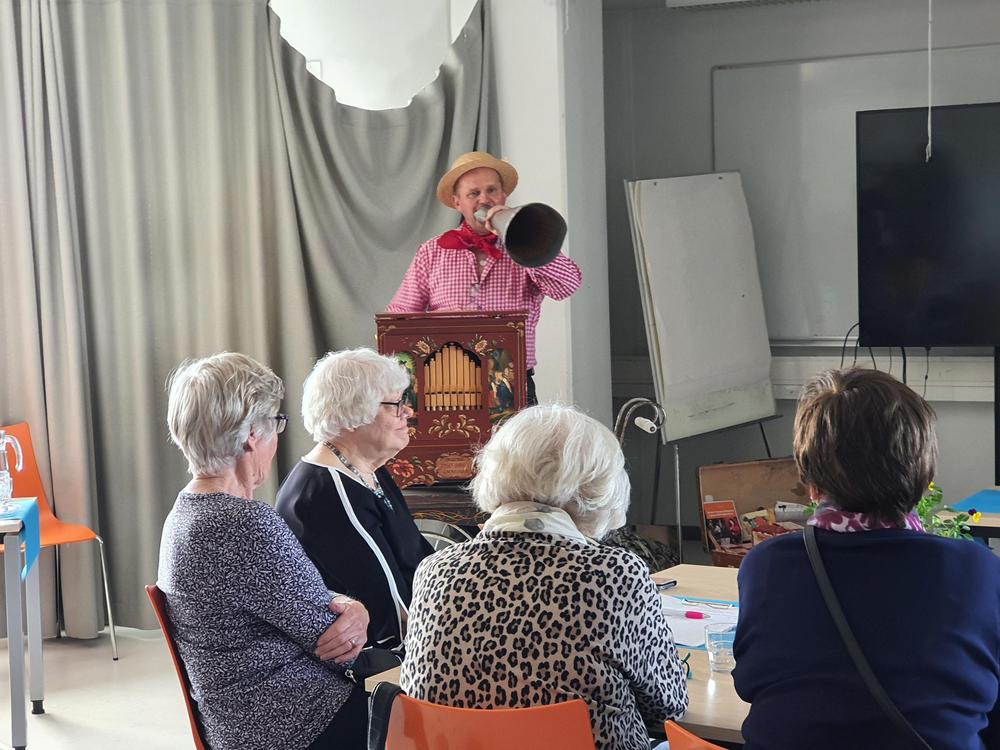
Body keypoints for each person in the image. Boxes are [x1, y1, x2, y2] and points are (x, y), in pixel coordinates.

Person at [733, 368, 1000, 750]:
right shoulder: (978, 571)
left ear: (811, 483)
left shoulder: (765, 566)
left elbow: (750, 683)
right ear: (925, 474)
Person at [400, 404, 689, 750]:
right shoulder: (614, 574)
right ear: (596, 488)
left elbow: (420, 691)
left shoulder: (435, 570)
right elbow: (668, 708)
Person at [158, 352, 371, 750]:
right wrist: (357, 611)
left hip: (241, 723)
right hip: (293, 725)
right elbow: (339, 646)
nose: (277, 438)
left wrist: (348, 605)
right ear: (253, 435)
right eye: (276, 424)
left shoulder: (185, 512)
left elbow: (293, 600)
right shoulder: (243, 523)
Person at [386, 151, 583, 404]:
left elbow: (567, 285)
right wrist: (435, 322)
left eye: (492, 190)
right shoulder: (432, 251)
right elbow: (397, 318)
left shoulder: (528, 244)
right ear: (457, 202)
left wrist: (524, 239)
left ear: (503, 196)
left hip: (512, 382)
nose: (484, 199)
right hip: (445, 382)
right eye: (473, 193)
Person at [276, 348, 433, 653]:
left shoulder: (368, 468)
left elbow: (422, 562)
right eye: (395, 405)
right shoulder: (327, 493)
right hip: (381, 660)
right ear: (352, 415)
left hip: (416, 636)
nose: (408, 412)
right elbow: (392, 614)